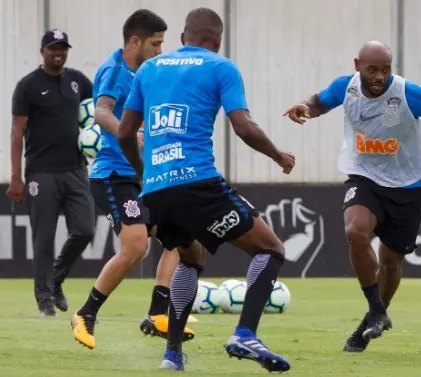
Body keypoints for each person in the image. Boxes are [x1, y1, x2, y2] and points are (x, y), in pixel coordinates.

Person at [117, 7, 295, 372]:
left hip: (157, 188)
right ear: (217, 41)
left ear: (183, 39)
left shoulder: (149, 69)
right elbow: (243, 126)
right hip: (197, 181)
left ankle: (173, 355)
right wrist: (278, 154)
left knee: (191, 256)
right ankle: (245, 333)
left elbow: (123, 132)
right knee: (270, 249)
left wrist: (146, 174)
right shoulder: (221, 67)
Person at [283, 41, 421, 352]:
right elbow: (320, 102)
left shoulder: (408, 94)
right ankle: (377, 309)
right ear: (357, 65)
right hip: (364, 176)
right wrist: (305, 107)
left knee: (391, 262)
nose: (379, 76)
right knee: (355, 231)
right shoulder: (345, 87)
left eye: (386, 70)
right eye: (372, 69)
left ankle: (372, 318)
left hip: (408, 184)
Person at [71, 9, 196, 350]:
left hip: (145, 173)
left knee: (180, 235)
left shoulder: (147, 72)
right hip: (114, 175)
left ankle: (157, 313)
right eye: (155, 44)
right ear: (135, 41)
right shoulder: (114, 71)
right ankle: (86, 313)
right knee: (138, 245)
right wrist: (132, 134)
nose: (159, 50)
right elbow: (101, 113)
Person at [8, 29, 95, 317]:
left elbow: (98, 111)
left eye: (63, 48)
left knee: (85, 229)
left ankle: (56, 279)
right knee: (43, 238)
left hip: (75, 170)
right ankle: (45, 299)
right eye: (54, 47)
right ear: (42, 51)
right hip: (41, 173)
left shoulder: (77, 81)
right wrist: (16, 176)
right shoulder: (28, 86)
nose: (59, 52)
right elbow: (17, 131)